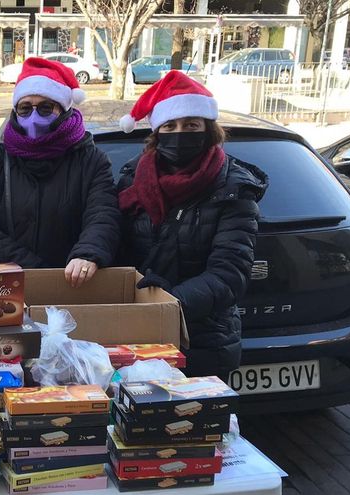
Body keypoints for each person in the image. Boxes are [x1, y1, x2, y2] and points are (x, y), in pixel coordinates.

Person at [116, 71, 267, 381]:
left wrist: (170, 302)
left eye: (191, 125)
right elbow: (117, 244)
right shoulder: (134, 179)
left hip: (203, 341)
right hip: (137, 334)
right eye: (169, 126)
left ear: (208, 130)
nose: (180, 133)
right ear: (157, 133)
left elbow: (230, 274)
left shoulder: (233, 189)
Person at [0, 57, 121, 287]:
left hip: (72, 286)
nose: (34, 117)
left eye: (46, 108)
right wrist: (29, 266)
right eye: (25, 108)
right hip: (6, 286)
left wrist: (88, 253)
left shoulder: (91, 161)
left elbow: (103, 213)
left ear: (64, 110)